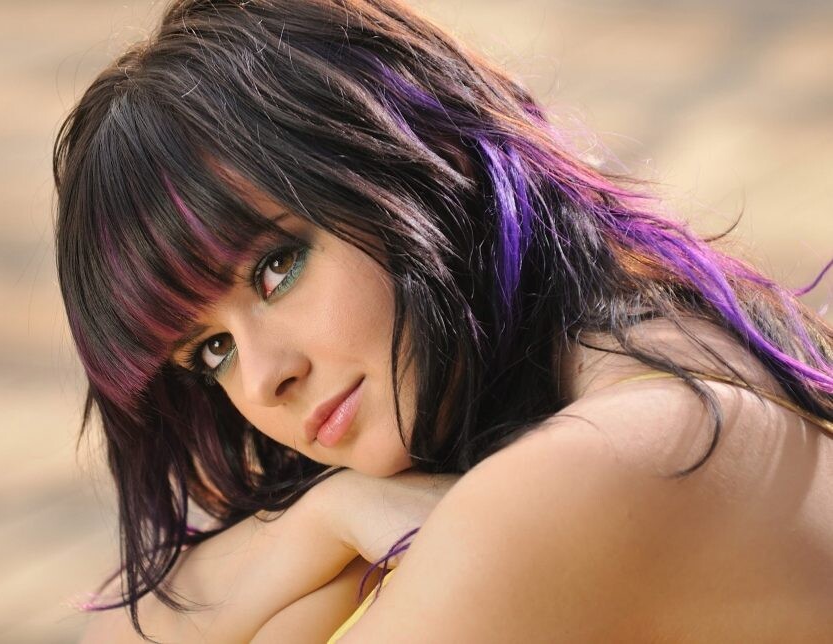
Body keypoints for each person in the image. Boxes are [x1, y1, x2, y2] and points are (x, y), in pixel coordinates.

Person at [53, 0, 833, 641]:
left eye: (278, 268)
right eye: (213, 349)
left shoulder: (584, 474)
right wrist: (322, 518)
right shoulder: (649, 347)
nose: (263, 380)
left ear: (414, 165)